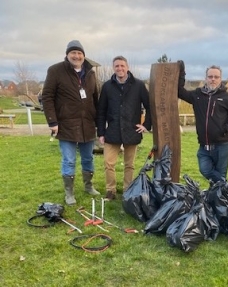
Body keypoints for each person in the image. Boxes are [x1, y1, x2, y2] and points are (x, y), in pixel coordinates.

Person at [42, 40, 100, 205]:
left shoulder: (90, 73)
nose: (76, 56)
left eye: (79, 53)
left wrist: (98, 121)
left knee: (88, 158)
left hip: (87, 124)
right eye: (73, 53)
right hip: (65, 124)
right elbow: (47, 97)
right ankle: (69, 193)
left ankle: (88, 186)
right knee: (69, 160)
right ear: (67, 55)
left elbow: (95, 99)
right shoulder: (55, 71)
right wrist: (52, 121)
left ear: (83, 55)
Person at [97, 56, 152, 200]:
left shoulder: (138, 85)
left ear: (127, 67)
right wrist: (101, 132)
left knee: (129, 164)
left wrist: (146, 125)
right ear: (113, 68)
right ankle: (111, 190)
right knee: (108, 163)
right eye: (117, 66)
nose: (120, 68)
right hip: (113, 131)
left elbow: (149, 106)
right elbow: (101, 110)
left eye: (122, 66)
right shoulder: (107, 86)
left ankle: (128, 190)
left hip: (131, 131)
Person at [177, 61, 228, 183]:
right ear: (206, 78)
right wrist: (182, 73)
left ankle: (217, 198)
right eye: (210, 76)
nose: (213, 79)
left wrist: (224, 128)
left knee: (220, 174)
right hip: (204, 146)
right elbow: (180, 91)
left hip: (222, 145)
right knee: (205, 170)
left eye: (216, 77)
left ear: (220, 79)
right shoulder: (197, 95)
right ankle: (225, 186)